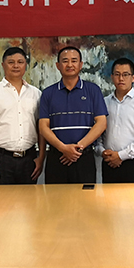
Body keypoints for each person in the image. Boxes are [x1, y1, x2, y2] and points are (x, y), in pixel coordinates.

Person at [0, 47, 45, 184]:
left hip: (29, 159)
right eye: (11, 62)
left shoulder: (36, 93)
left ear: (26, 65)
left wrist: (41, 157)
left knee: (29, 197)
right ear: (3, 65)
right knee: (0, 198)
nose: (16, 66)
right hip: (0, 159)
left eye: (20, 62)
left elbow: (41, 128)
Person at [39, 46, 107, 184]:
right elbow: (43, 127)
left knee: (86, 197)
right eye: (65, 61)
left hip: (84, 157)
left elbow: (101, 123)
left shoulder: (93, 90)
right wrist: (63, 148)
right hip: (57, 157)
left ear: (81, 65)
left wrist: (77, 148)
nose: (70, 65)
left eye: (74, 61)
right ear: (58, 65)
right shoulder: (48, 93)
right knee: (55, 197)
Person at [97, 58, 134, 183]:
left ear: (133, 78)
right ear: (112, 77)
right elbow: (98, 133)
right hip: (109, 163)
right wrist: (102, 151)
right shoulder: (104, 102)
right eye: (117, 74)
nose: (121, 78)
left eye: (125, 75)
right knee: (108, 196)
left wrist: (120, 156)